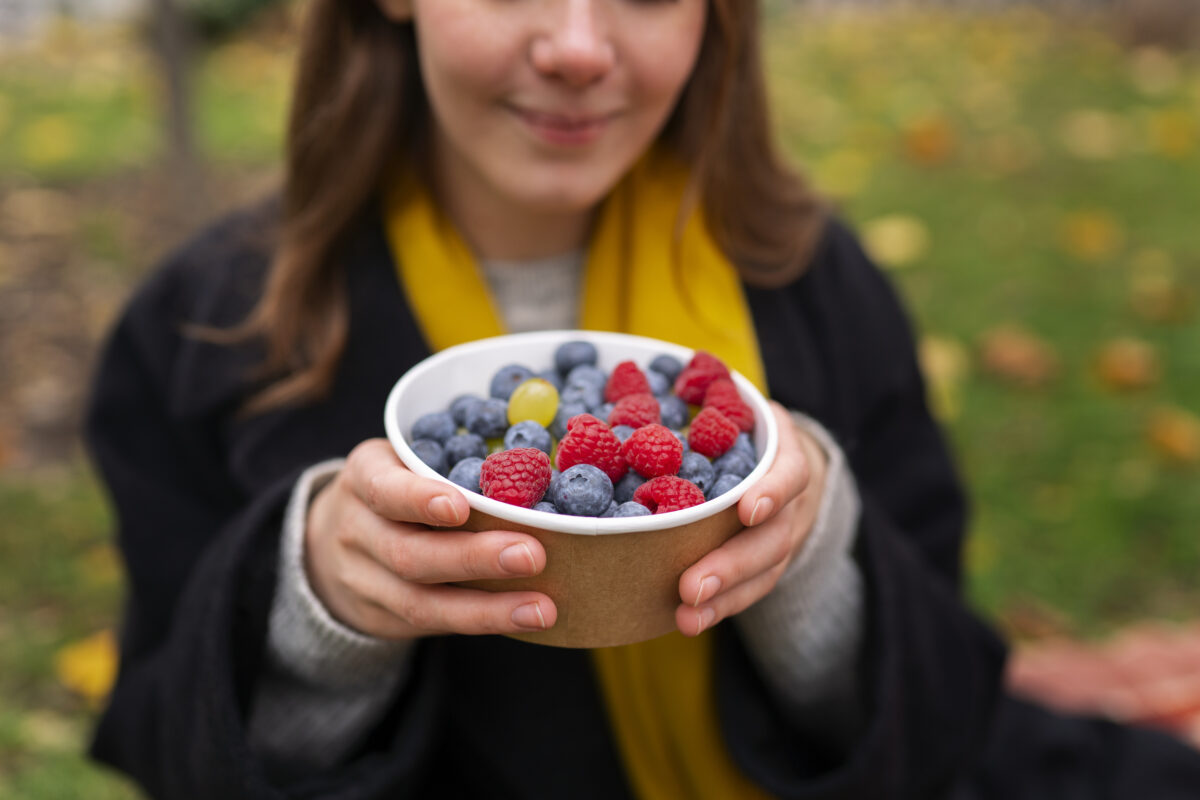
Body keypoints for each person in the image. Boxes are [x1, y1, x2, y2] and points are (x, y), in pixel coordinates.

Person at [84, 1, 1200, 798]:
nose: (577, 45)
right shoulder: (206, 332)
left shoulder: (813, 285)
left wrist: (809, 555)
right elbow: (172, 745)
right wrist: (316, 604)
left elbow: (944, 702)